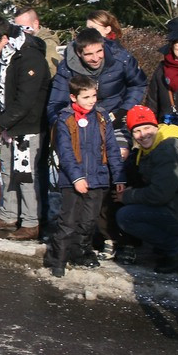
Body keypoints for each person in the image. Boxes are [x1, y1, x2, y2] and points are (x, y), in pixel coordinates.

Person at [45, 75, 126, 277]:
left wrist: (119, 177)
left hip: (98, 177)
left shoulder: (101, 116)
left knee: (89, 220)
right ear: (74, 97)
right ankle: (58, 258)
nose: (91, 100)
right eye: (86, 97)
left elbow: (112, 148)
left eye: (94, 96)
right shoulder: (65, 118)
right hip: (73, 180)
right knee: (68, 221)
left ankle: (80, 252)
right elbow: (65, 152)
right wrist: (77, 178)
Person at [0, 16, 51, 240]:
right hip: (7, 125)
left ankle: (30, 221)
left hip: (26, 126)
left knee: (25, 175)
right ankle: (9, 214)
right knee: (8, 172)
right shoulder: (1, 58)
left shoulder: (30, 59)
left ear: (6, 38)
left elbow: (25, 100)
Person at [115, 105, 178, 272]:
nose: (143, 135)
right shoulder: (150, 149)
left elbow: (160, 194)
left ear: (156, 126)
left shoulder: (167, 148)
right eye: (137, 131)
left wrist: (126, 197)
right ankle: (172, 245)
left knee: (126, 216)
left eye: (147, 128)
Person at [12, 7, 60, 77]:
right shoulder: (20, 42)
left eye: (23, 27)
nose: (20, 31)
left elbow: (52, 72)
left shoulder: (48, 44)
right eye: (18, 28)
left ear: (35, 24)